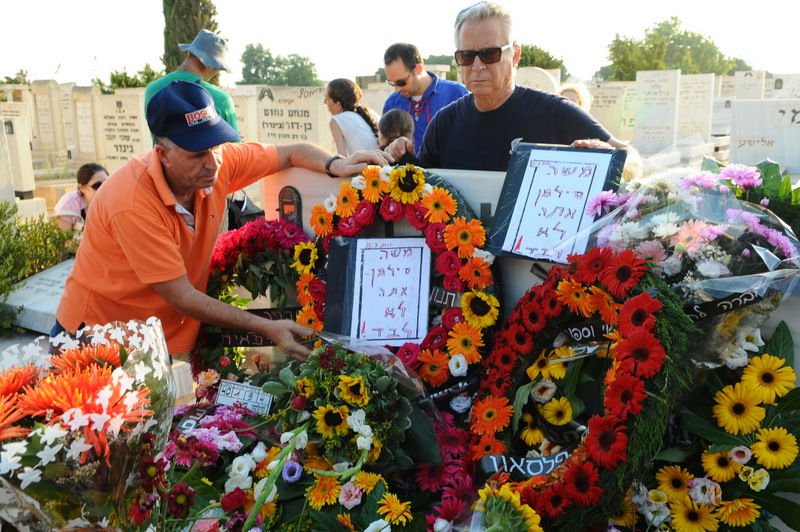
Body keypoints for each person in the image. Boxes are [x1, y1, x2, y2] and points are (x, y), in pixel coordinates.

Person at [54, 81, 390, 359]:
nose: (214, 163)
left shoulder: (218, 162)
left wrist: (335, 165)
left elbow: (290, 152)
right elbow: (181, 294)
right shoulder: (131, 201)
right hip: (98, 337)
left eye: (216, 146)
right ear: (163, 155)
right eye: (198, 153)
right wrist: (266, 327)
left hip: (157, 336)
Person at [388, 3, 641, 176]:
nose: (477, 66)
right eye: (466, 56)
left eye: (490, 53)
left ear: (515, 55)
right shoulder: (445, 122)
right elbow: (425, 186)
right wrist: (398, 155)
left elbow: (630, 157)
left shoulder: (554, 113)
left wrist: (610, 157)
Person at [145, 29, 240, 138]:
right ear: (209, 64)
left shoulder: (152, 89)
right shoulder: (221, 99)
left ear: (188, 52)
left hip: (161, 155)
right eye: (218, 69)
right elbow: (234, 150)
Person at [382, 43, 469, 156]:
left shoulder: (456, 93)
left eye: (401, 82)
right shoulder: (391, 103)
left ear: (418, 69)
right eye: (392, 83)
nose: (397, 89)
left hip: (448, 172)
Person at [324, 78, 380, 155]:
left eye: (327, 99)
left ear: (338, 105)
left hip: (363, 166)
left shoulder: (336, 120)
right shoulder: (371, 113)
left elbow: (342, 158)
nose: (324, 102)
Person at [53, 162, 108, 231]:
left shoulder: (112, 199)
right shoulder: (68, 205)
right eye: (97, 185)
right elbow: (64, 239)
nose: (103, 188)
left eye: (106, 183)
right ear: (82, 188)